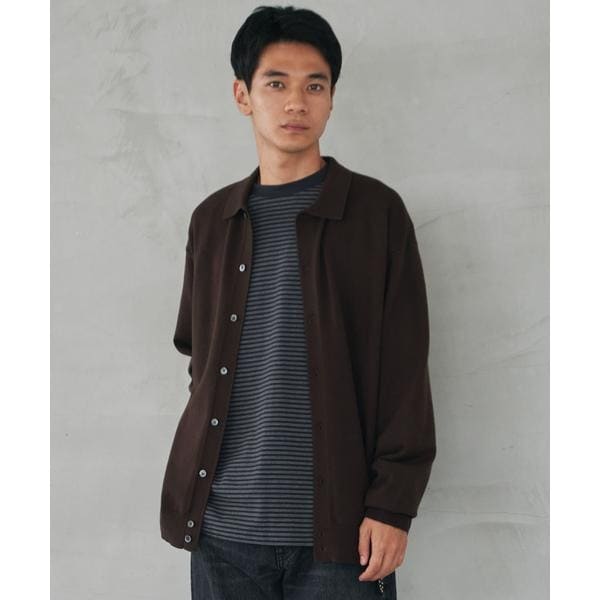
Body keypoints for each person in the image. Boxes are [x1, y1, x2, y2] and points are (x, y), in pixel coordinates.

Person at [159, 5, 437, 599]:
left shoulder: (376, 214)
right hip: (222, 531)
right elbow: (199, 357)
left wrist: (392, 506)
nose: (296, 103)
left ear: (332, 99)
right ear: (242, 94)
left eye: (315, 85)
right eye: (276, 83)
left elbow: (405, 373)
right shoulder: (213, 221)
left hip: (343, 536)